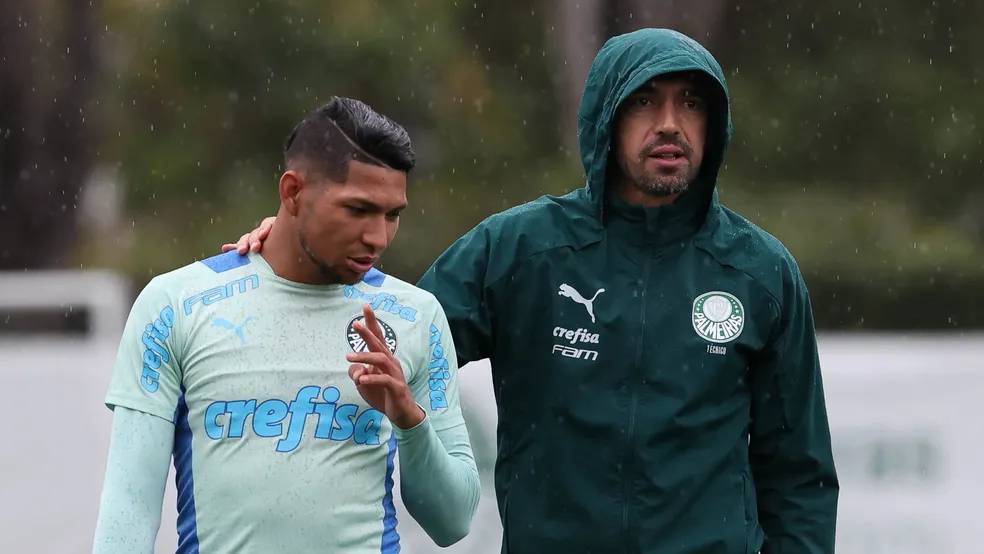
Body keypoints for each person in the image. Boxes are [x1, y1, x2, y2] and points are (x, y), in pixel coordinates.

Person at [229, 29, 839, 553]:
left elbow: (799, 477)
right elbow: (390, 336)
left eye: (692, 104)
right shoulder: (521, 249)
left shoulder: (760, 272)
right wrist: (294, 243)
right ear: (607, 115)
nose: (671, 125)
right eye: (646, 102)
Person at [93, 97, 480, 554]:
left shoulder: (415, 315)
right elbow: (128, 516)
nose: (378, 236)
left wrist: (408, 419)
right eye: (358, 210)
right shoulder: (175, 305)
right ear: (293, 192)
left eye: (392, 214)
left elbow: (453, 520)